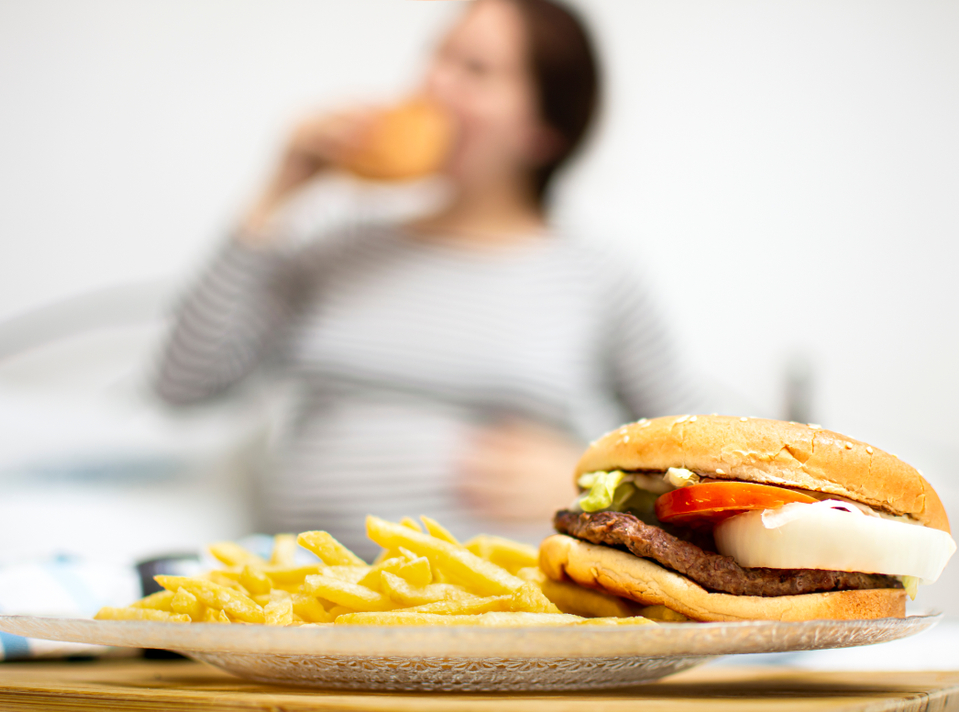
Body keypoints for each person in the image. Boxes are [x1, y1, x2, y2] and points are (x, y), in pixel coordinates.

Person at [155, 0, 701, 555]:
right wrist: (279, 189)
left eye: (475, 70)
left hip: (504, 615)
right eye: (439, 58)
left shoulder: (597, 276)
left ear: (543, 131)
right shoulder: (341, 245)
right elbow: (181, 385)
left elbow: (699, 468)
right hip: (311, 602)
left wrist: (588, 479)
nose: (435, 84)